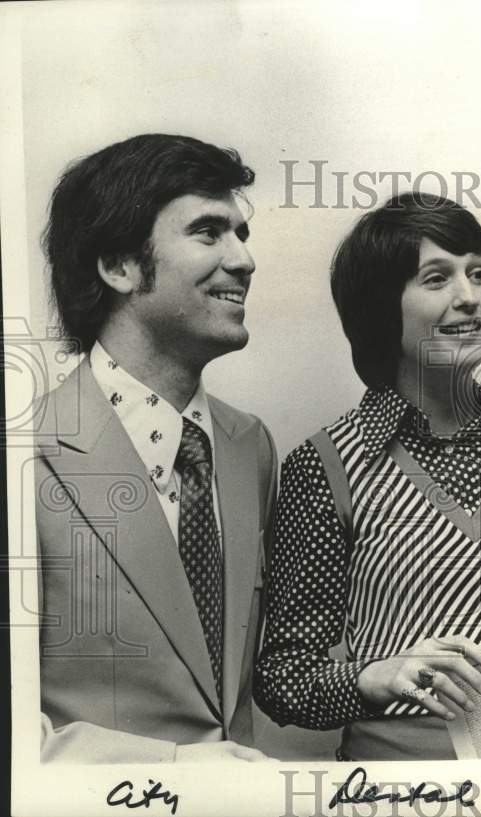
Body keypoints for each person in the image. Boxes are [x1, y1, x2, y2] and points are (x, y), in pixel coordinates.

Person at [254, 193, 481, 759]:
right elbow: (283, 677)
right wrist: (372, 678)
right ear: (382, 306)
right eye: (437, 278)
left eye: (479, 274)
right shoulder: (325, 465)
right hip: (390, 791)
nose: (470, 298)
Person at [35, 133, 276, 762]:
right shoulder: (24, 455)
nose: (243, 260)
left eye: (241, 235)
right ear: (119, 267)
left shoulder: (250, 447)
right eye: (207, 232)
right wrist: (171, 770)